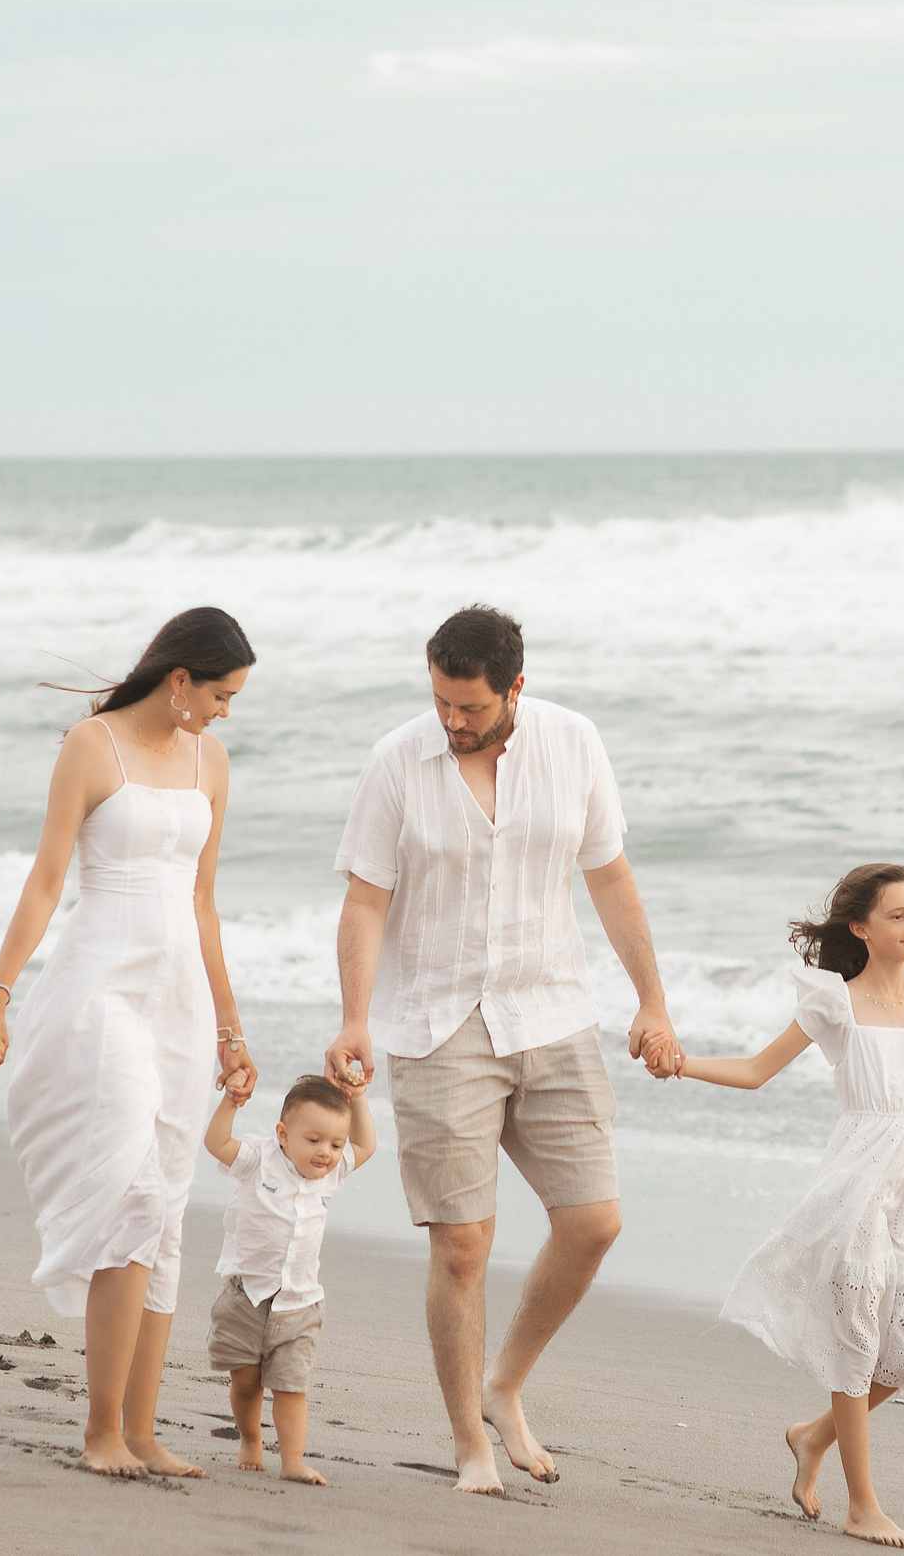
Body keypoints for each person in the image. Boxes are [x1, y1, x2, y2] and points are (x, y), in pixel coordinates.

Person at [325, 603, 682, 1495]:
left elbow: (609, 877)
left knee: (595, 1221)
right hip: (437, 1023)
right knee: (462, 1248)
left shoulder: (574, 743)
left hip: (551, 1010)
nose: (452, 721)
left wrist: (654, 1002)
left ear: (514, 687)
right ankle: (468, 1446)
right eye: (442, 702)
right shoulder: (396, 761)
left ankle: (504, 1383)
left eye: (471, 708)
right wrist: (354, 1016)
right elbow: (367, 899)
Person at [0, 607, 260, 1478]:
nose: (228, 711)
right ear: (179, 681)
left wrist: (231, 1029)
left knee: (164, 1212)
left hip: (180, 1004)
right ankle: (99, 1433)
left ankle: (143, 1428)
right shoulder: (93, 747)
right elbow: (48, 878)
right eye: (222, 694)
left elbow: (203, 904)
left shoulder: (213, 760)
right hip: (103, 993)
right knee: (129, 1196)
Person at [657, 863, 904, 1550]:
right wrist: (681, 1063)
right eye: (899, 915)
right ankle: (862, 1505)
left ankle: (812, 1436)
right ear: (861, 927)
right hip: (852, 1187)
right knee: (856, 1342)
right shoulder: (834, 1004)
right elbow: (756, 1071)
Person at [202, 1071, 378, 1486]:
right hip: (247, 1296)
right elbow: (216, 1144)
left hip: (300, 1303)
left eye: (335, 1144)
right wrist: (231, 1103)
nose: (326, 1153)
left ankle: (293, 1460)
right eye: (314, 1140)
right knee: (246, 1381)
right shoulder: (258, 1158)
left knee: (291, 1387)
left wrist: (359, 1098)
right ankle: (249, 1439)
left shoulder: (331, 1174)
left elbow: (366, 1144)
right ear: (283, 1134)